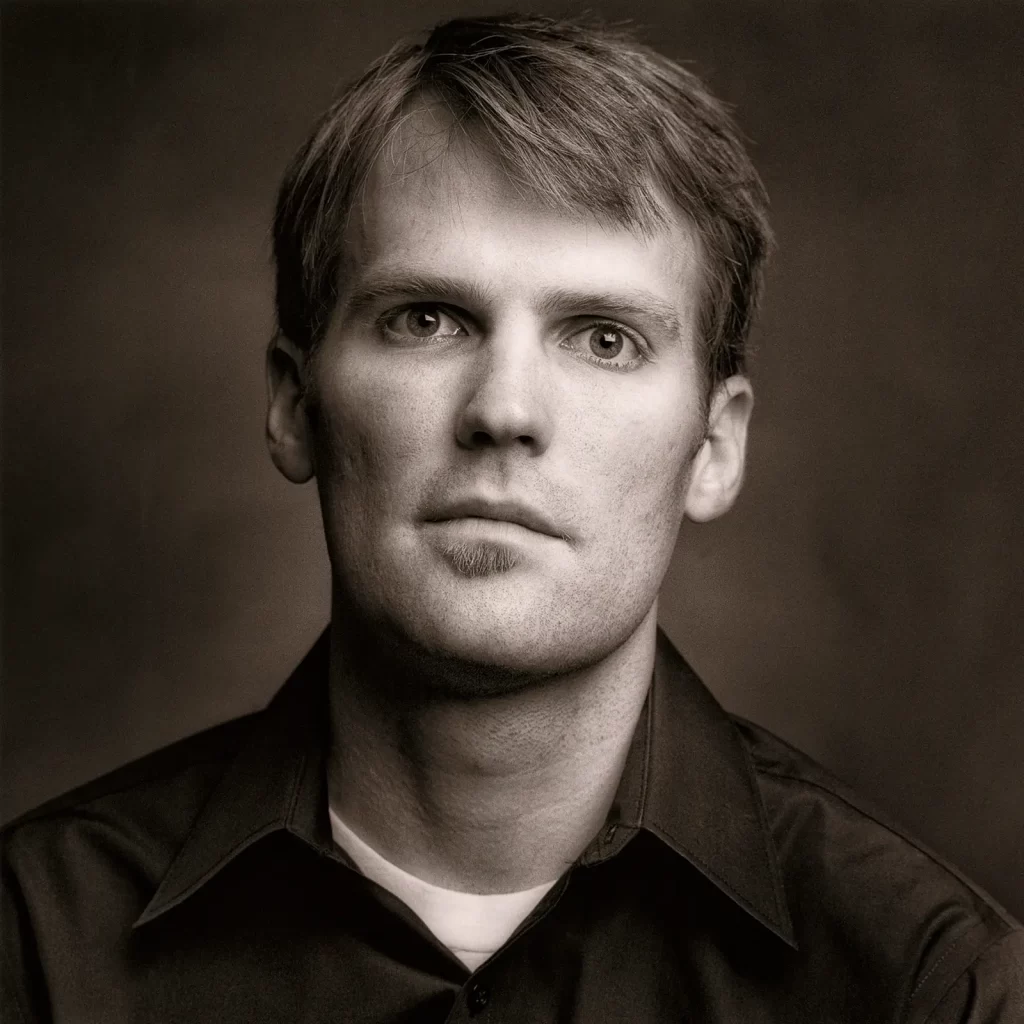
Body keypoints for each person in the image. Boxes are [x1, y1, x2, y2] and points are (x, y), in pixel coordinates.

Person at [2, 12, 1021, 1023]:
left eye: (604, 339)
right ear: (291, 404)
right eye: (427, 319)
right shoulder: (34, 947)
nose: (504, 410)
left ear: (713, 448)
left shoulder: (929, 985)